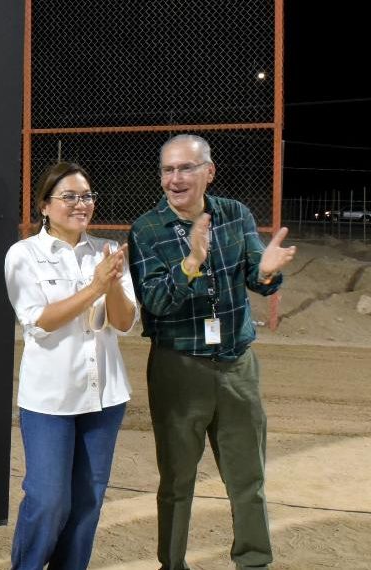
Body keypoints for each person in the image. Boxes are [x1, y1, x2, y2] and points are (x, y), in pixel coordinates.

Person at [128, 134, 296, 570]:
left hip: (238, 365)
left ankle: (254, 561)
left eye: (186, 168)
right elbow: (156, 303)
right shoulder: (147, 229)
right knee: (177, 481)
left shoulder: (235, 215)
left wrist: (267, 272)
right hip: (178, 368)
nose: (175, 179)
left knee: (248, 478)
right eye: (168, 169)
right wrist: (190, 262)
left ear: (209, 172)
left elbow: (258, 280)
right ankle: (173, 563)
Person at [4, 162, 138, 569]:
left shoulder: (108, 252)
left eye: (87, 196)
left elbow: (125, 321)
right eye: (69, 196)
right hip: (50, 401)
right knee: (48, 499)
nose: (81, 204)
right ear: (44, 205)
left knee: (87, 500)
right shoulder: (24, 254)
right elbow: (38, 321)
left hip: (105, 396)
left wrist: (111, 284)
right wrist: (94, 286)